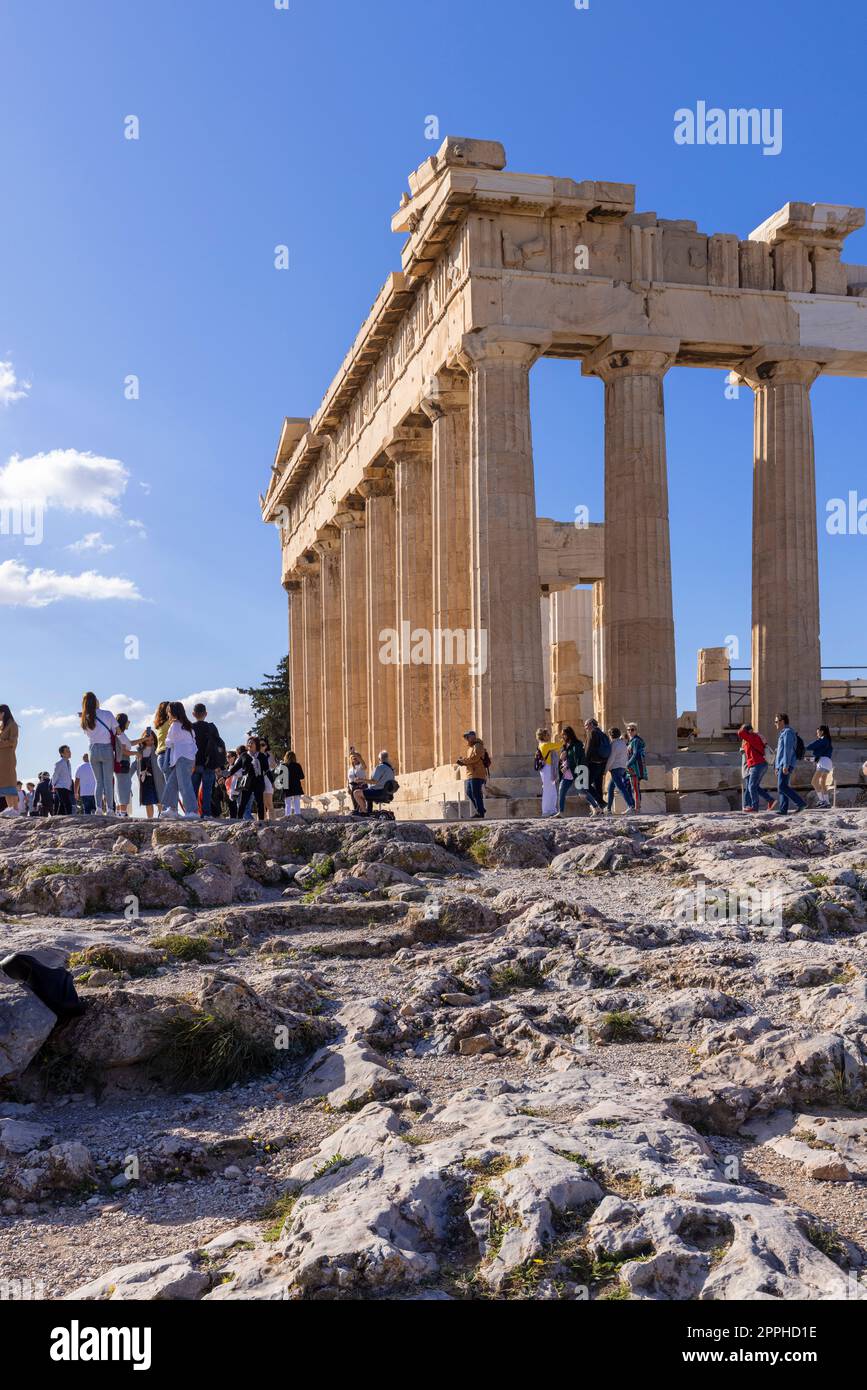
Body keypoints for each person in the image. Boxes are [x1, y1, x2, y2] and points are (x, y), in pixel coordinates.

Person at [80, 692, 116, 814]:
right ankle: (110, 809)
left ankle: (99, 808)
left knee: (98, 781)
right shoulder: (107, 714)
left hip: (93, 750)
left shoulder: (84, 718)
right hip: (106, 748)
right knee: (108, 781)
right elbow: (117, 730)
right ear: (96, 701)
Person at [556, 725, 603, 816]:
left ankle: (597, 808)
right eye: (562, 735)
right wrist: (561, 760)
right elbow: (563, 759)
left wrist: (567, 766)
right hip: (567, 774)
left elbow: (576, 759)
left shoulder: (577, 744)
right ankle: (561, 812)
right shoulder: (565, 745)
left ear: (570, 734)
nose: (563, 736)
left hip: (577, 771)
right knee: (561, 791)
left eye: (565, 734)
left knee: (582, 792)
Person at [191, 703, 224, 819]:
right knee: (207, 791)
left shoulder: (190, 727)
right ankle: (206, 813)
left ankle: (193, 813)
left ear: (193, 714)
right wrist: (219, 764)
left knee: (193, 790)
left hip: (194, 764)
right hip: (209, 764)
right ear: (206, 714)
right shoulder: (211, 727)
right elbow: (220, 745)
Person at [736, 723, 775, 812]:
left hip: (756, 764)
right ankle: (770, 800)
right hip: (761, 764)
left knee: (752, 786)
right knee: (754, 786)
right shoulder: (756, 737)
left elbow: (740, 733)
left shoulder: (752, 737)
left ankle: (754, 807)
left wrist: (746, 729)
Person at [773, 713, 806, 815]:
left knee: (782, 786)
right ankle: (783, 810)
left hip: (785, 764)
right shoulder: (783, 733)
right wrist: (776, 766)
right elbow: (780, 751)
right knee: (782, 786)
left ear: (782, 721)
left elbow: (788, 750)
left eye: (776, 721)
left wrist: (786, 765)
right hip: (781, 764)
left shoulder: (788, 732)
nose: (775, 724)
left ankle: (800, 803)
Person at [231, 736, 268, 821]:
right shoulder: (244, 755)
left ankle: (261, 821)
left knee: (260, 803)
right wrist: (225, 776)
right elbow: (235, 768)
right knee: (242, 803)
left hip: (258, 782)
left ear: (256, 744)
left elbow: (267, 770)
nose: (249, 744)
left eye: (251, 742)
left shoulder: (262, 756)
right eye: (248, 742)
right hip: (247, 783)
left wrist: (272, 782)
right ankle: (238, 820)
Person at [456, 730, 488, 819]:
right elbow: (471, 759)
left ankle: (480, 812)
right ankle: (481, 809)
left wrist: (463, 761)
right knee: (469, 792)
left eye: (467, 737)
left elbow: (475, 758)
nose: (466, 739)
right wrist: (463, 761)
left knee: (476, 793)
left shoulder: (478, 745)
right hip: (471, 773)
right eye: (466, 737)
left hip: (477, 773)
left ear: (473, 737)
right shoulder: (470, 748)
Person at [604, 727, 635, 813]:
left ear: (611, 735)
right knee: (610, 788)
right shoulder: (623, 743)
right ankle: (609, 809)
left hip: (615, 768)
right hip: (622, 767)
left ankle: (630, 805)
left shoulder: (613, 744)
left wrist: (605, 769)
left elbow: (611, 758)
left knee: (621, 787)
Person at [583, 719, 611, 807]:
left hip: (593, 764)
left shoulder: (592, 733)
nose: (585, 727)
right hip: (602, 764)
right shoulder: (603, 734)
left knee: (586, 784)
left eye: (586, 725)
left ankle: (600, 802)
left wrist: (584, 763)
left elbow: (588, 749)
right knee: (598, 786)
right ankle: (601, 808)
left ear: (591, 724)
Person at [133, 729, 160, 819]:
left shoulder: (157, 749)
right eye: (147, 740)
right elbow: (134, 764)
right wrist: (129, 774)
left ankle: (162, 817)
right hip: (144, 779)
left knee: (159, 799)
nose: (150, 742)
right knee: (148, 801)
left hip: (156, 778)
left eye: (152, 739)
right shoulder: (139, 751)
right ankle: (150, 819)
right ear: (143, 740)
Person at [807, 725, 834, 808]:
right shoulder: (827, 741)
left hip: (823, 763)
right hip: (827, 762)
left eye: (818, 732)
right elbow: (821, 754)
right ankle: (827, 802)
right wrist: (811, 759)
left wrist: (803, 748)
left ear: (822, 732)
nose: (817, 734)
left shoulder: (823, 740)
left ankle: (822, 801)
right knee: (822, 783)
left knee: (814, 782)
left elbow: (810, 746)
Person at [535, 727, 559, 817]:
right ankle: (546, 811)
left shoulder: (541, 745)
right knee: (548, 790)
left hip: (546, 768)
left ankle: (552, 809)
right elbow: (559, 745)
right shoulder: (545, 745)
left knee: (551, 790)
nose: (549, 736)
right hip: (547, 768)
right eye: (548, 734)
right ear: (544, 736)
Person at [363, 750, 397, 815]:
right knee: (367, 791)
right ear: (387, 758)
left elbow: (374, 781)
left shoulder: (380, 767)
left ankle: (364, 812)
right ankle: (368, 811)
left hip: (379, 792)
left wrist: (362, 780)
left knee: (357, 793)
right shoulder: (391, 769)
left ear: (379, 759)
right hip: (388, 794)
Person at [0, 705, 19, 814]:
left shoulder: (13, 725)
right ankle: (10, 809)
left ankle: (15, 809)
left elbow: (12, 741)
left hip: (8, 759)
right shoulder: (3, 726)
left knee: (10, 783)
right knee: (4, 785)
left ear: (3, 713)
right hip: (1, 760)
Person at [114, 713, 134, 816]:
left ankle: (119, 812)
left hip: (121, 761)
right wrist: (136, 753)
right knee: (124, 786)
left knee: (119, 786)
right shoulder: (120, 735)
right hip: (123, 761)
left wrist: (143, 739)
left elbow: (129, 744)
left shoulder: (121, 734)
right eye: (127, 721)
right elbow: (123, 751)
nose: (129, 723)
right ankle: (123, 812)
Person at [625, 722, 647, 813]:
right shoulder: (631, 741)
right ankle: (633, 806)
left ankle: (637, 808)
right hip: (631, 767)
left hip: (635, 767)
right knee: (632, 787)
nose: (630, 731)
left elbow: (635, 754)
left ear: (636, 730)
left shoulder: (636, 741)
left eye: (632, 729)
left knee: (635, 787)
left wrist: (627, 764)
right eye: (628, 729)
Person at [51, 745, 74, 815]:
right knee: (67, 805)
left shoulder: (68, 763)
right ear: (62, 754)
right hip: (60, 787)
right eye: (67, 751)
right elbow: (55, 775)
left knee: (62, 806)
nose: (69, 752)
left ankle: (57, 819)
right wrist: (53, 785)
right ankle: (69, 819)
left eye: (69, 751)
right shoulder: (59, 763)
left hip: (67, 787)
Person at [283, 751, 304, 816]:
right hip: (296, 785)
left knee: (288, 803)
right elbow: (302, 776)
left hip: (287, 786)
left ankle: (287, 817)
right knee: (297, 802)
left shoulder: (283, 766)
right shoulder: (297, 765)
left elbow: (281, 778)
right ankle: (297, 816)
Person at [347, 748, 368, 814]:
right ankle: (358, 814)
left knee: (361, 802)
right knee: (355, 803)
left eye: (356, 758)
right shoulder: (350, 769)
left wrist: (354, 753)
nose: (354, 759)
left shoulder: (361, 766)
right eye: (353, 758)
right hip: (353, 787)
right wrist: (348, 787)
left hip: (361, 785)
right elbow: (348, 779)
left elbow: (363, 763)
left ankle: (364, 813)